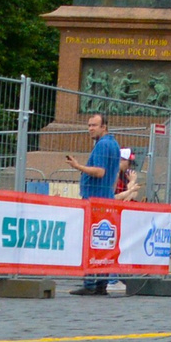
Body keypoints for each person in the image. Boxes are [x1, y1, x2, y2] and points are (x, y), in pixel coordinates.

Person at [56, 114, 122, 295]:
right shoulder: (114, 144)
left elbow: (100, 172)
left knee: (90, 243)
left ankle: (90, 285)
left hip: (95, 201)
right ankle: (101, 284)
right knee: (102, 244)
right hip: (106, 198)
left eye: (94, 125)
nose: (90, 128)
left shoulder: (102, 145)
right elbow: (113, 174)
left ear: (104, 127)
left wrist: (78, 166)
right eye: (89, 125)